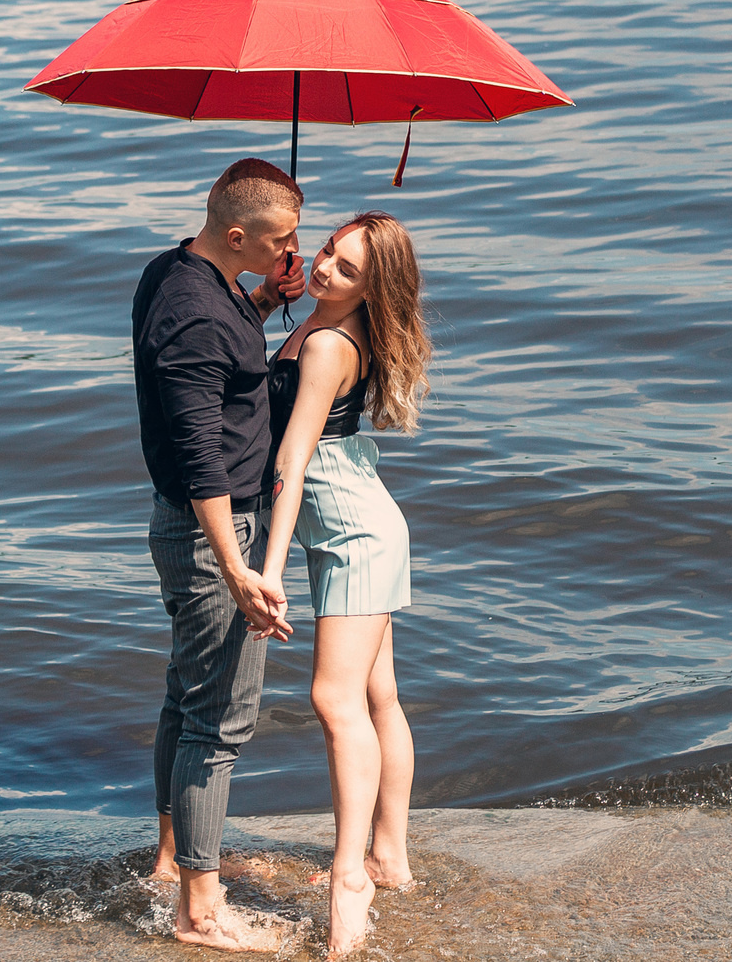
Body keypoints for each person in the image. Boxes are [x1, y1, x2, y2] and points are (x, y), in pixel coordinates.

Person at [134, 158, 309, 950]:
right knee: (218, 722)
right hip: (214, 531)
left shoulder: (180, 273)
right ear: (237, 234)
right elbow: (199, 449)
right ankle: (200, 912)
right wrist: (235, 566)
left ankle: (172, 860)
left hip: (187, 525)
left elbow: (222, 366)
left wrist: (269, 301)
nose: (291, 248)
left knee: (184, 696)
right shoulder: (197, 313)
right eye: (280, 241)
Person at [253, 211, 430, 958]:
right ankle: (391, 853)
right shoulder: (314, 323)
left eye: (346, 268)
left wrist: (268, 566)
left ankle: (351, 870)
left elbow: (292, 460)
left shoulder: (326, 343)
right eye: (327, 249)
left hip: (355, 536)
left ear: (371, 290)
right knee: (378, 695)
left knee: (334, 697)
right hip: (362, 524)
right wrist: (272, 297)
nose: (325, 267)